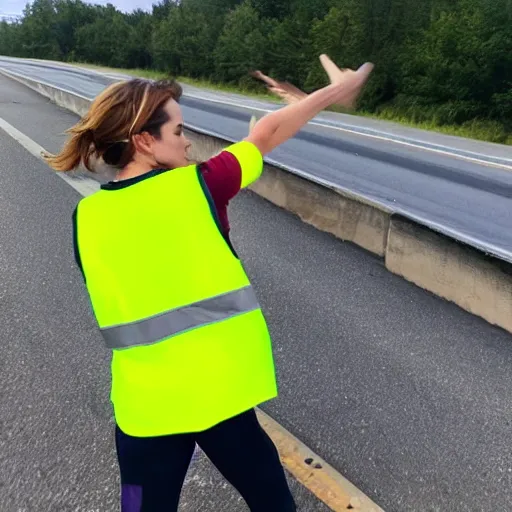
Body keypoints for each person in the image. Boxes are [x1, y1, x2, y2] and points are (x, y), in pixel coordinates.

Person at [44, 55, 373, 512]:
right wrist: (335, 91)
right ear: (143, 140)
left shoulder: (87, 218)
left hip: (145, 412)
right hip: (220, 401)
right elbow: (267, 134)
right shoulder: (200, 187)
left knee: (137, 503)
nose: (188, 142)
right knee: (273, 502)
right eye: (178, 132)